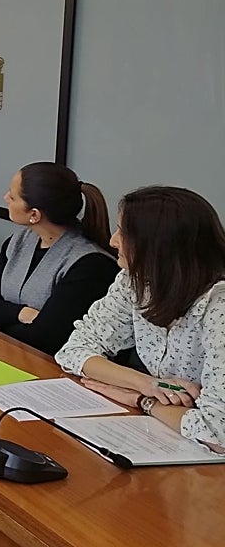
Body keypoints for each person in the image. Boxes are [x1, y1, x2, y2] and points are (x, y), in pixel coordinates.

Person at [56, 186, 225, 453]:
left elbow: (218, 434)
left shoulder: (220, 306)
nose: (113, 241)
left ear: (158, 245)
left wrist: (143, 401)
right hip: (168, 437)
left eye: (123, 232)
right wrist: (145, 383)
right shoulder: (135, 280)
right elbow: (73, 351)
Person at [0, 163, 118, 354]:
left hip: (48, 365)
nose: (5, 198)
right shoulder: (18, 241)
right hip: (8, 351)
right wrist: (23, 313)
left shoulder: (89, 264)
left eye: (13, 196)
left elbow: (45, 337)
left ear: (34, 214)